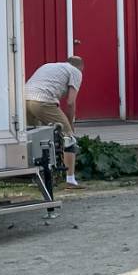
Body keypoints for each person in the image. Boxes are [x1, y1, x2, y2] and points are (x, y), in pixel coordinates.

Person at [24, 55, 84, 187]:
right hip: (42, 101)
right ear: (81, 67)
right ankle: (70, 180)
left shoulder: (49, 66)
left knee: (36, 139)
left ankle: (37, 178)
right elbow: (70, 102)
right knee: (68, 138)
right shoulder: (76, 72)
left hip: (24, 99)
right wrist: (70, 125)